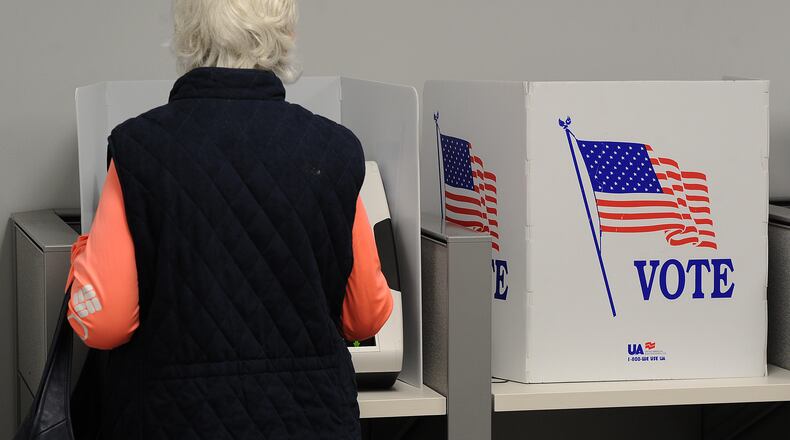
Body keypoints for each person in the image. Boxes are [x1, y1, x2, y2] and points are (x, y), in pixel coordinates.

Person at [65, 1, 393, 438]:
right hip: (313, 421)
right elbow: (366, 316)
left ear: (188, 36)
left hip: (171, 421)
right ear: (286, 36)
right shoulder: (334, 151)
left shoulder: (138, 148)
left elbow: (102, 321)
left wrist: (84, 252)